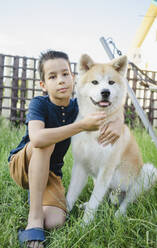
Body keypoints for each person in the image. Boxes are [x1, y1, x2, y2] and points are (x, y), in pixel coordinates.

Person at [8, 50, 123, 248]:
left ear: (73, 77)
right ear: (43, 85)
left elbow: (112, 107)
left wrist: (118, 123)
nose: (61, 80)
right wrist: (81, 126)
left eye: (65, 74)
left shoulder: (80, 105)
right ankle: (33, 220)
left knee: (55, 222)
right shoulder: (39, 103)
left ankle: (36, 198)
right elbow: (36, 138)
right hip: (23, 165)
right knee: (46, 141)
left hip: (51, 173)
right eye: (52, 76)